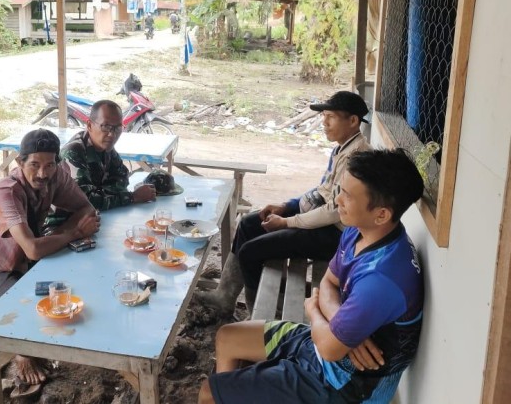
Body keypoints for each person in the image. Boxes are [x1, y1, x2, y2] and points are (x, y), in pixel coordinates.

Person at [198, 149, 425, 404]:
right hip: (323, 347)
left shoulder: (381, 280)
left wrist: (314, 310)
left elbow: (329, 348)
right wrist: (340, 323)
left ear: (381, 214)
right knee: (227, 337)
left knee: (208, 393)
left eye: (347, 196)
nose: (337, 200)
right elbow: (329, 281)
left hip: (344, 385)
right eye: (340, 190)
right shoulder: (361, 231)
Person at [199, 91, 371, 317]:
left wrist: (287, 222)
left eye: (330, 116)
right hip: (319, 218)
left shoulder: (356, 158)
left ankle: (260, 317)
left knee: (251, 252)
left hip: (334, 234)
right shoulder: (342, 147)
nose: (324, 123)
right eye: (323, 116)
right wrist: (286, 205)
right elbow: (322, 192)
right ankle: (224, 297)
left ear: (352, 121)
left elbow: (333, 212)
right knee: (250, 223)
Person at [0, 128, 101, 395]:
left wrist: (64, 233)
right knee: (28, 305)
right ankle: (21, 355)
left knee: (66, 290)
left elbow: (85, 208)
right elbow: (32, 250)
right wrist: (73, 233)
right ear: (19, 162)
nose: (43, 173)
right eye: (35, 165)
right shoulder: (6, 192)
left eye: (50, 164)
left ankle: (37, 346)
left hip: (25, 261)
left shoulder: (56, 177)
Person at [44, 101, 155, 232]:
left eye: (117, 128)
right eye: (106, 126)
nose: (112, 134)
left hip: (91, 220)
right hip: (61, 227)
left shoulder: (106, 147)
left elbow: (123, 178)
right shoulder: (74, 152)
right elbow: (87, 202)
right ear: (90, 125)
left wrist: (99, 194)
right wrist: (132, 197)